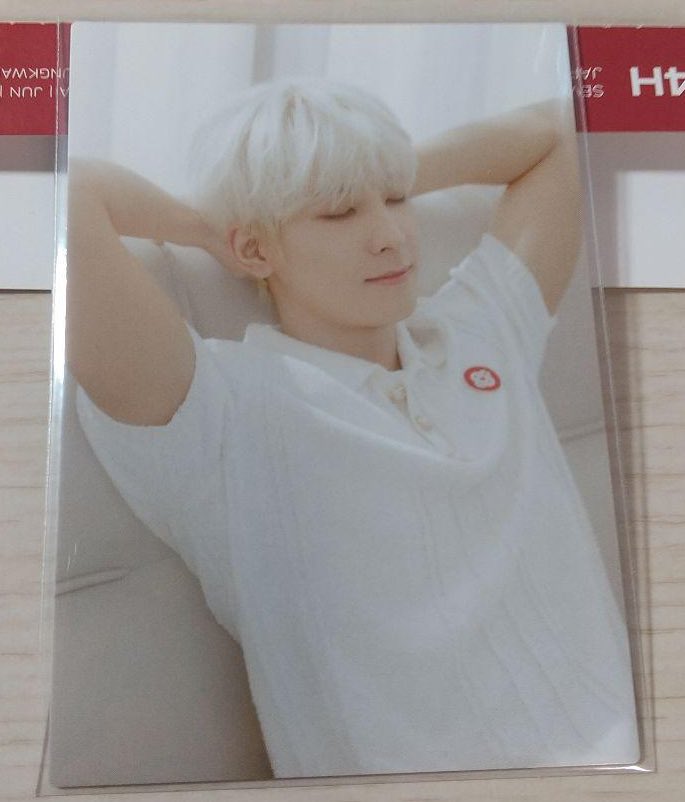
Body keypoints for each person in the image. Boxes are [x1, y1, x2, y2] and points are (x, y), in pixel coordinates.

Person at [67, 78, 638, 778]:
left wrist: (373, 169)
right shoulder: (221, 417)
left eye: (396, 201)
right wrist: (211, 228)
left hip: (626, 756)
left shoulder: (483, 328)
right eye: (338, 212)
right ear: (254, 250)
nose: (391, 237)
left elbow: (567, 128)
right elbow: (67, 193)